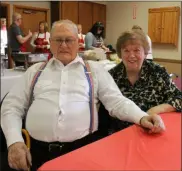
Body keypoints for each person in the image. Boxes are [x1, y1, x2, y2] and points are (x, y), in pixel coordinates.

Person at [1, 20, 165, 171]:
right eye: (58, 40)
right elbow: (11, 106)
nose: (63, 45)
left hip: (81, 151)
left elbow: (117, 102)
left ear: (78, 42)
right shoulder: (35, 71)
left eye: (69, 40)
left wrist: (142, 117)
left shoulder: (94, 70)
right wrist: (14, 142)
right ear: (50, 43)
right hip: (36, 152)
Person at [98, 30, 182, 133]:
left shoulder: (157, 72)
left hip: (152, 130)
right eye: (126, 51)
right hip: (120, 134)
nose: (131, 55)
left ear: (145, 53)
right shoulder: (112, 76)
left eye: (137, 50)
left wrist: (154, 110)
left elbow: (179, 98)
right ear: (120, 54)